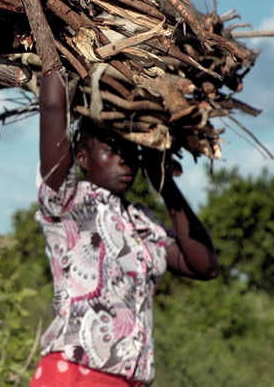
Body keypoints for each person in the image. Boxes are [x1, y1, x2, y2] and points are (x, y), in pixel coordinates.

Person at [30, 68, 220, 387]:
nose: (125, 161)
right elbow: (52, 109)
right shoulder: (69, 201)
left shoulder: (144, 222)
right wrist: (53, 56)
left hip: (132, 380)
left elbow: (205, 266)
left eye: (130, 152)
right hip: (76, 373)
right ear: (82, 157)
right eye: (111, 151)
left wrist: (166, 186)